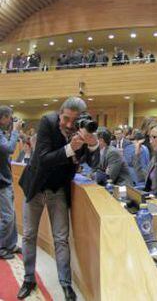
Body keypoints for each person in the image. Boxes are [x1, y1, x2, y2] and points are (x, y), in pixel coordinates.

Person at [18, 97, 99, 300]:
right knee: (28, 235)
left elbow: (94, 162)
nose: (69, 124)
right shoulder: (47, 121)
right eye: (66, 118)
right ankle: (28, 279)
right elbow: (44, 159)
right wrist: (70, 148)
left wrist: (93, 144)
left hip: (58, 189)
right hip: (36, 186)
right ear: (60, 113)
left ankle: (65, 283)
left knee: (61, 239)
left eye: (74, 120)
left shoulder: (82, 128)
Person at [0, 106, 22, 260]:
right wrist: (15, 131)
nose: (11, 120)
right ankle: (1, 247)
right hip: (1, 182)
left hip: (6, 179)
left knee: (12, 215)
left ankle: (11, 244)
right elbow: (9, 148)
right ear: (3, 118)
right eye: (10, 118)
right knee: (7, 216)